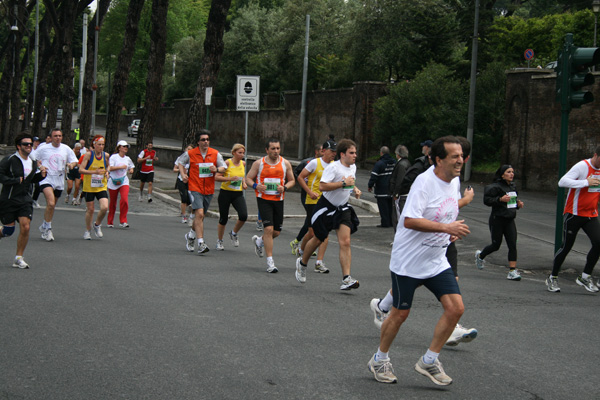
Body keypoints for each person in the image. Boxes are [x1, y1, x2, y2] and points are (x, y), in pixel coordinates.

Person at [367, 136, 471, 386]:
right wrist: (446, 227)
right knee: (401, 313)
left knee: (456, 308)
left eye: (461, 156)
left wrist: (450, 229)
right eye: (454, 156)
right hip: (409, 261)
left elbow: (447, 207)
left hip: (436, 260)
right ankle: (379, 360)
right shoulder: (424, 183)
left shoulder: (454, 180)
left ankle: (429, 360)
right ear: (438, 159)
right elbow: (409, 220)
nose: (461, 160)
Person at [294, 138, 362, 289]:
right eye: (352, 153)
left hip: (342, 208)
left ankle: (346, 279)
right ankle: (302, 263)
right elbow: (323, 186)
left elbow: (350, 181)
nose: (355, 155)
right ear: (342, 154)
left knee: (345, 242)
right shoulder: (333, 168)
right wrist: (344, 184)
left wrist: (354, 188)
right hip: (326, 207)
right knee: (318, 239)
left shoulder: (353, 167)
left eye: (355, 152)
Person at [546, 146, 600, 293]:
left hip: (591, 214)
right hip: (574, 214)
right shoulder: (582, 166)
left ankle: (585, 276)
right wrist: (585, 182)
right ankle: (552, 277)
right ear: (596, 155)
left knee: (598, 243)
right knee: (566, 247)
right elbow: (562, 182)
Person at [246, 137, 295, 273]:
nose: (276, 151)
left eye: (278, 148)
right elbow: (248, 179)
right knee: (268, 229)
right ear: (267, 150)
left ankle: (260, 241)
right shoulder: (258, 164)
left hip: (278, 199)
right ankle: (270, 263)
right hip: (264, 199)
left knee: (276, 232)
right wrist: (256, 185)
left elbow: (292, 181)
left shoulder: (285, 163)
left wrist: (284, 187)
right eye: (273, 148)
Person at [0, 133, 47, 268]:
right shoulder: (10, 160)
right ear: (18, 146)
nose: (29, 146)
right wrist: (14, 180)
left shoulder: (32, 163)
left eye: (30, 144)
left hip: (25, 199)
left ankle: (18, 258)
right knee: (8, 231)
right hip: (9, 199)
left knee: (26, 226)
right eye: (26, 144)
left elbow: (30, 180)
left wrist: (42, 176)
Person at [179, 130, 227, 255]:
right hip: (195, 187)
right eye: (203, 140)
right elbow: (180, 162)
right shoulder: (190, 153)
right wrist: (184, 174)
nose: (206, 142)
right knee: (199, 214)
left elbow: (224, 167)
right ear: (198, 142)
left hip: (209, 189)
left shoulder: (215, 153)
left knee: (200, 216)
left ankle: (191, 235)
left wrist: (216, 169)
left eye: (207, 139)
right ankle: (201, 243)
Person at [294, 138, 337, 273]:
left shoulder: (335, 165)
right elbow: (300, 177)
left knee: (324, 232)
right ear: (324, 151)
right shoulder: (314, 163)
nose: (333, 154)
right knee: (312, 232)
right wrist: (310, 191)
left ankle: (319, 262)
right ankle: (301, 250)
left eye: (335, 151)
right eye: (331, 151)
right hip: (312, 201)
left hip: (327, 201)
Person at [475, 165, 524, 280]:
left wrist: (518, 204)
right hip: (497, 219)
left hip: (509, 219)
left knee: (512, 244)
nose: (512, 174)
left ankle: (512, 271)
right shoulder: (494, 187)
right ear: (502, 174)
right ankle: (480, 255)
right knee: (496, 245)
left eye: (512, 172)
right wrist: (500, 199)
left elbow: (511, 203)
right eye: (508, 172)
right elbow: (486, 201)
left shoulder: (512, 186)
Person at [30, 128, 78, 241]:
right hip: (46, 178)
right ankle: (48, 229)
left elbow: (75, 160)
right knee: (50, 203)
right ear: (51, 137)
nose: (58, 138)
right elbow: (33, 158)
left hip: (59, 179)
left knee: (52, 206)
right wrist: (40, 166)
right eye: (55, 136)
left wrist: (71, 165)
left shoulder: (66, 148)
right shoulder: (43, 148)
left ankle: (45, 225)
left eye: (60, 136)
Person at [290, 143, 323, 255]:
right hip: (307, 195)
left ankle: (300, 242)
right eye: (322, 151)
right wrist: (305, 182)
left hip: (319, 196)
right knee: (310, 221)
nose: (324, 153)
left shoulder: (328, 165)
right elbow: (297, 173)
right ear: (316, 152)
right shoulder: (308, 162)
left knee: (311, 222)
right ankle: (300, 243)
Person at [215, 143, 248, 250]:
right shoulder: (227, 163)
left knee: (243, 215)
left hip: (237, 193)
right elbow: (217, 177)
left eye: (243, 153)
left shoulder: (243, 163)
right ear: (233, 153)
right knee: (223, 218)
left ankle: (233, 233)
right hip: (225, 193)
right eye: (239, 153)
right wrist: (229, 179)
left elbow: (242, 176)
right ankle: (220, 241)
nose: (242, 155)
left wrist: (244, 183)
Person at [79, 135, 110, 240]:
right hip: (89, 186)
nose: (101, 147)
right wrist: (94, 172)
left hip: (101, 185)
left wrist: (107, 172)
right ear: (94, 145)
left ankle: (97, 225)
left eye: (103, 145)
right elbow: (81, 170)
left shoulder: (106, 156)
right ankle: (88, 230)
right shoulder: (88, 155)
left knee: (105, 207)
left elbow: (108, 166)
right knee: (90, 209)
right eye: (99, 144)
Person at [107, 140, 135, 228]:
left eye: (127, 147)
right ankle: (110, 221)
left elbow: (131, 166)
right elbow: (110, 168)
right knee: (113, 202)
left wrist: (131, 170)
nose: (126, 148)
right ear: (119, 148)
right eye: (124, 146)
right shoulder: (114, 157)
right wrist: (120, 167)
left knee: (124, 200)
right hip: (113, 181)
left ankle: (123, 220)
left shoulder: (128, 158)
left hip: (124, 181)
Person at [368, 146, 396, 227]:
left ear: (381, 153)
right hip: (391, 189)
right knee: (390, 207)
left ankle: (385, 223)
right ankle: (391, 222)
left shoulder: (379, 164)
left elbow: (374, 176)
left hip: (381, 189)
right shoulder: (394, 162)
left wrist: (370, 185)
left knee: (383, 208)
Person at [389, 145, 411, 232]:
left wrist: (396, 193)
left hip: (401, 195)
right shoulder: (407, 163)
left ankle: (398, 236)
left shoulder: (401, 165)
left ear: (398, 154)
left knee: (398, 217)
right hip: (404, 193)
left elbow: (399, 180)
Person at [174, 145, 193, 224]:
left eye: (190, 150)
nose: (189, 151)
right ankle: (184, 216)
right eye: (188, 149)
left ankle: (182, 207)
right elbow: (174, 169)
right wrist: (181, 170)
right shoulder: (180, 159)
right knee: (184, 198)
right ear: (185, 149)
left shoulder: (193, 159)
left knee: (190, 200)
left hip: (190, 181)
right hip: (181, 180)